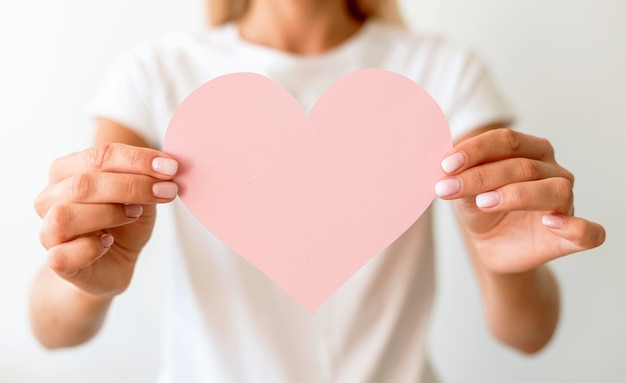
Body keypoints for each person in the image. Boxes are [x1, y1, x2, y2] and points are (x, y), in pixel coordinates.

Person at [30, 0, 606, 382]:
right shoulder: (157, 75)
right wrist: (85, 282)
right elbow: (49, 328)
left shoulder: (442, 71)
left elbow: (529, 335)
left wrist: (510, 265)